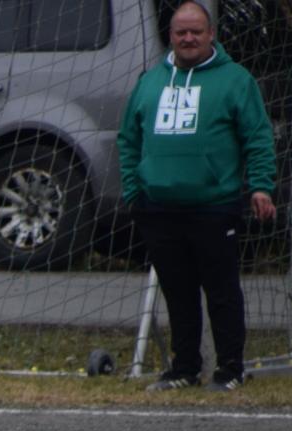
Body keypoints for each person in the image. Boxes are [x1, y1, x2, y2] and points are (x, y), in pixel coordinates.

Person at [117, 0, 276, 392]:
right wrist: (135, 190)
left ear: (211, 35)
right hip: (159, 208)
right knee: (178, 292)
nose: (188, 38)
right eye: (180, 32)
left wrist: (260, 185)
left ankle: (230, 370)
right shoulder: (150, 81)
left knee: (221, 291)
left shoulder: (236, 81)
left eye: (196, 31)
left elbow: (257, 137)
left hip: (214, 207)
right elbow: (128, 139)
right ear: (170, 36)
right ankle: (183, 369)